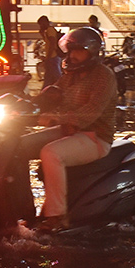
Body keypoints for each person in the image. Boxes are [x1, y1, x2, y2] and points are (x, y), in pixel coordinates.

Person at [35, 26, 117, 232]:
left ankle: (58, 217)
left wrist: (58, 118)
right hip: (69, 131)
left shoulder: (103, 76)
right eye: (70, 51)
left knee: (50, 152)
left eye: (77, 51)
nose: (72, 56)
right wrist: (25, 104)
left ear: (92, 52)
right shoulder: (70, 75)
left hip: (96, 137)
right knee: (19, 145)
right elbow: (53, 94)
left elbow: (91, 111)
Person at [37, 15, 64, 85]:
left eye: (41, 24)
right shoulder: (48, 31)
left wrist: (48, 56)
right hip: (51, 57)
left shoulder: (50, 30)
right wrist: (42, 34)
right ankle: (44, 92)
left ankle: (61, 88)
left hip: (53, 57)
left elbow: (52, 43)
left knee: (56, 76)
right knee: (48, 77)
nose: (41, 26)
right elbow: (48, 42)